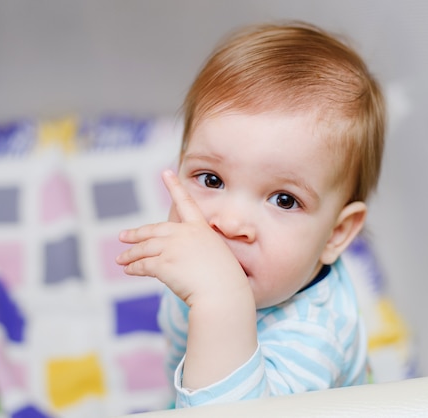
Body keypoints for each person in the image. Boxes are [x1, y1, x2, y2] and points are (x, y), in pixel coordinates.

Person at [116, 21, 385, 408]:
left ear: (335, 234)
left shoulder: (311, 341)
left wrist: (221, 300)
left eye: (284, 200)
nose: (228, 223)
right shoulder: (212, 260)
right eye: (211, 179)